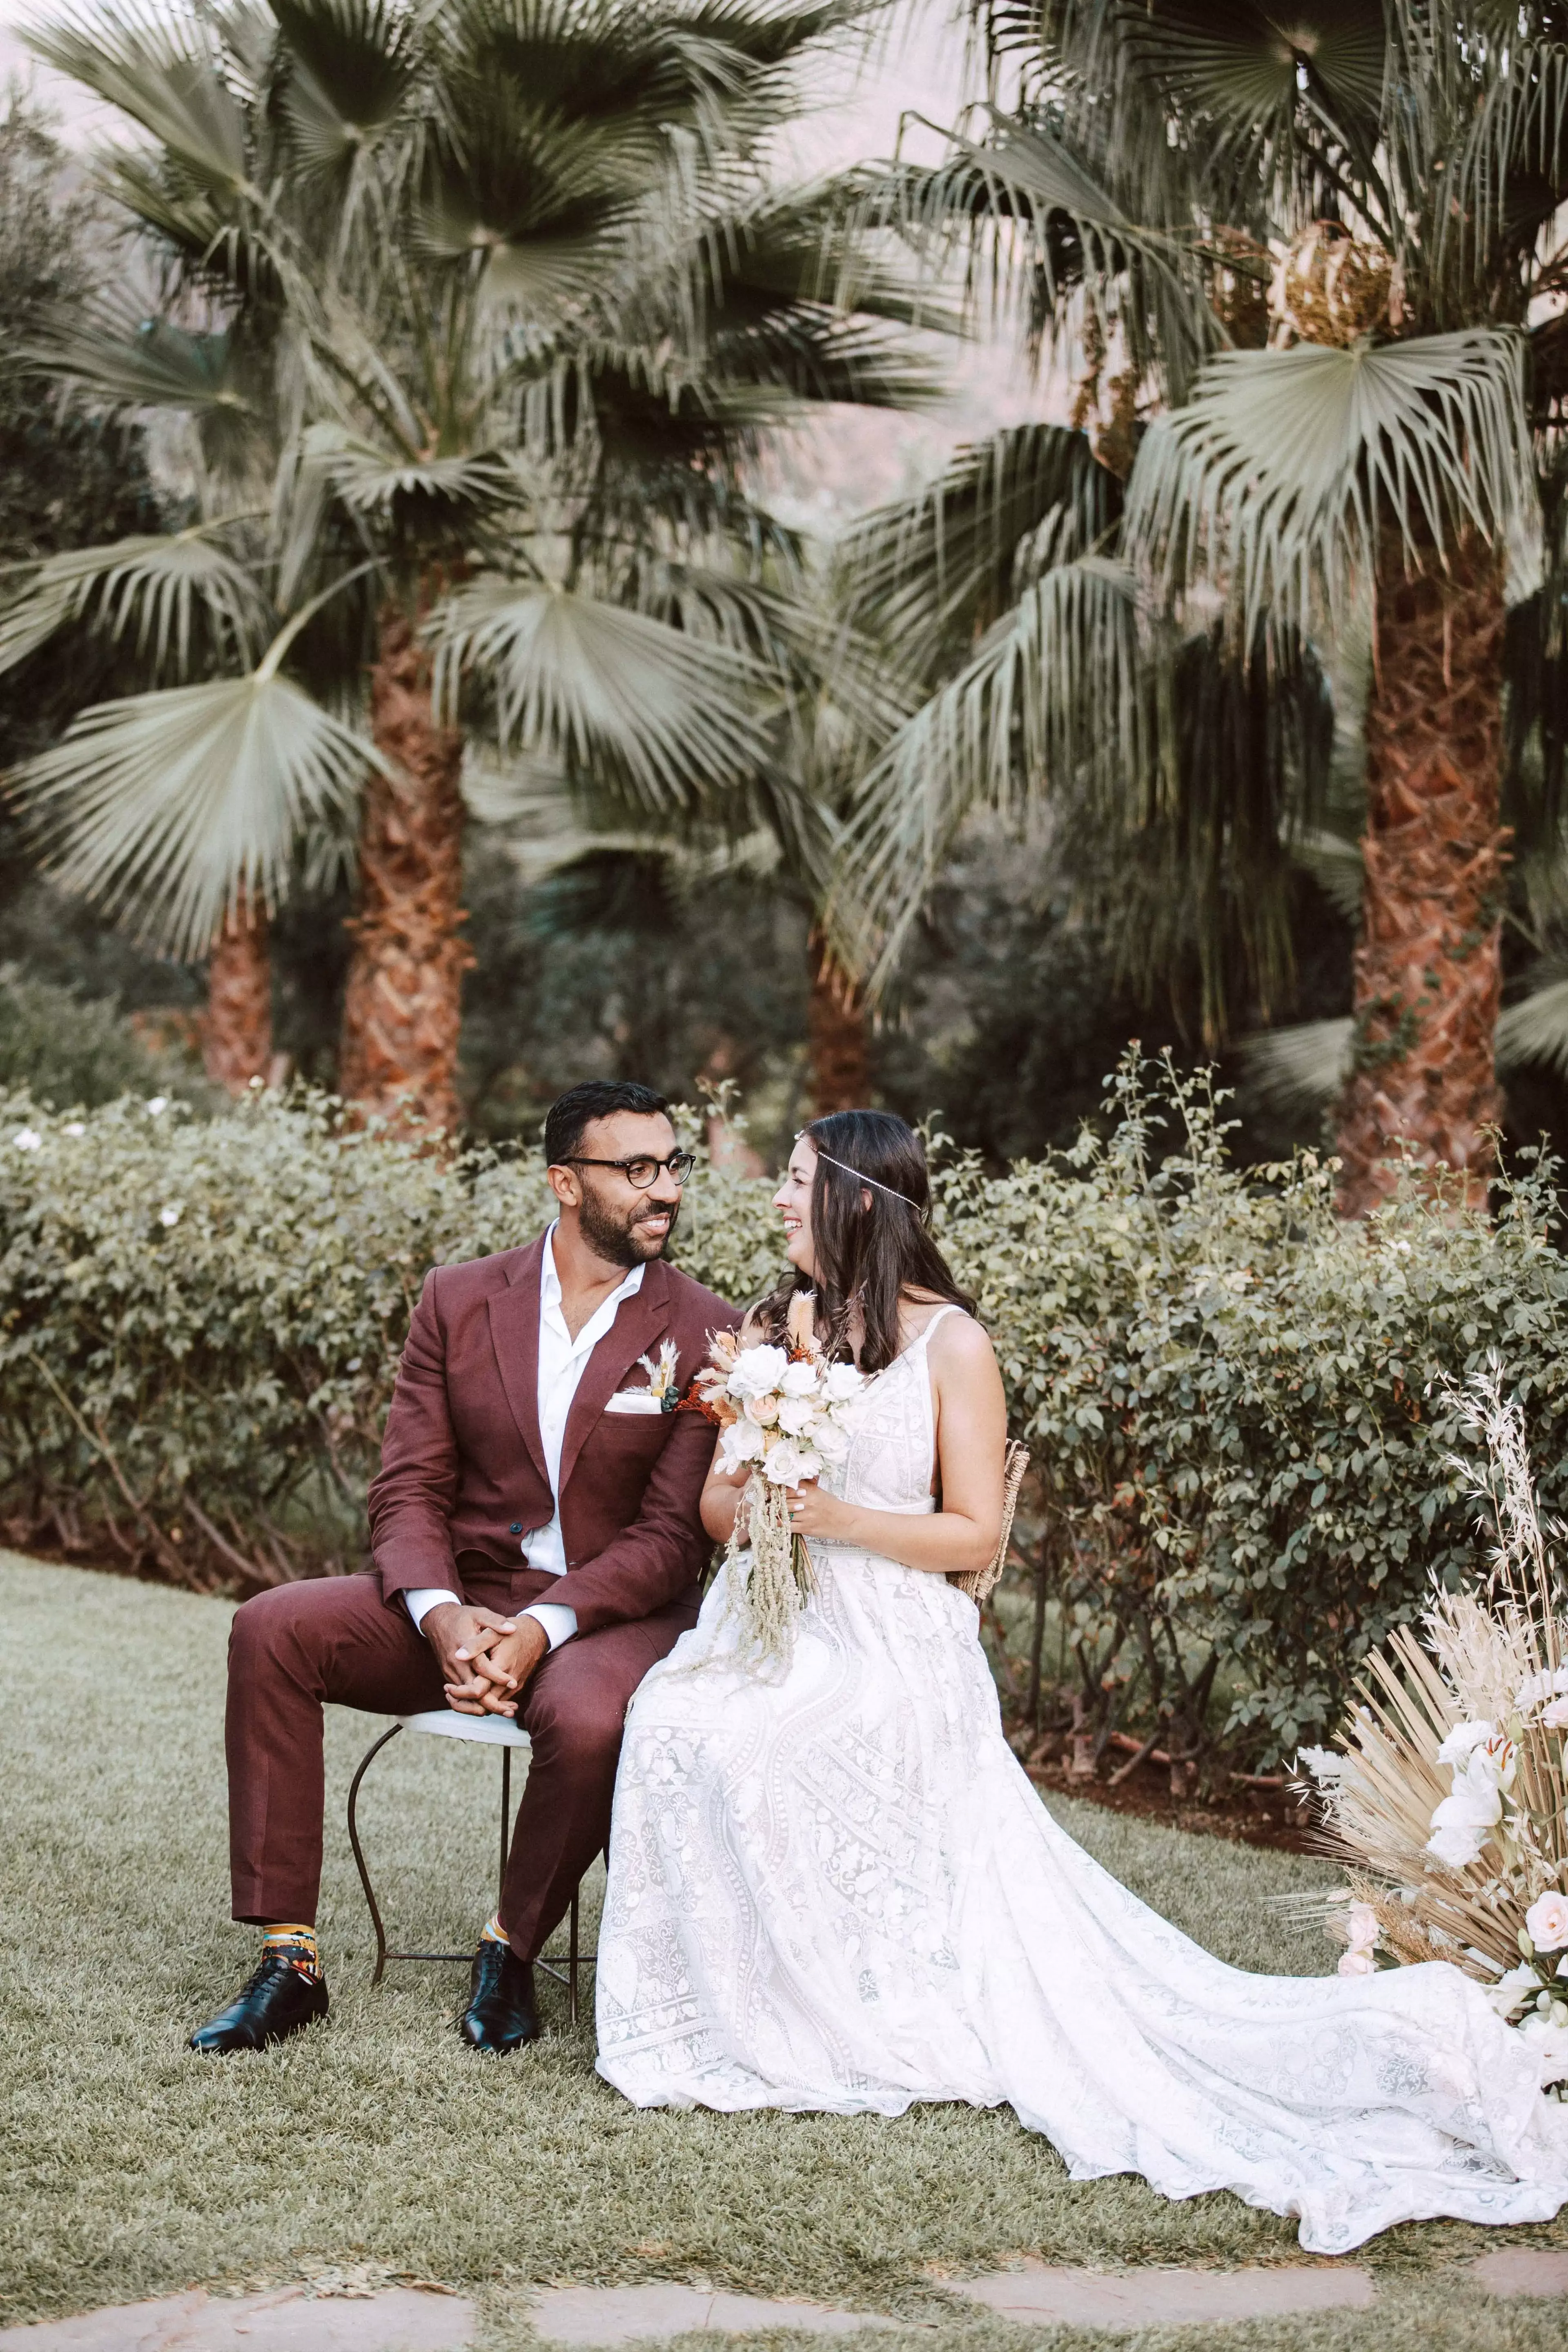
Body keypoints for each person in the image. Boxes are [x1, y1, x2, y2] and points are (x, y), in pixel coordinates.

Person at [594, 1108, 1568, 2255]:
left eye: (796, 1181)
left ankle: (850, 1999)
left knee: (780, 1737)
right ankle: (727, 2002)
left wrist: (842, 1513)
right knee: (674, 1722)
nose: (775, 1200)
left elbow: (971, 1534)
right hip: (781, 1613)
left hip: (898, 1631)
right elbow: (716, 1510)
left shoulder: (952, 1343)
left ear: (857, 1198)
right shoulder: (771, 1328)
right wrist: (764, 1473)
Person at [192, 1080, 738, 2057]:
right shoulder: (457, 1298)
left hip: (607, 1619)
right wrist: (445, 1618)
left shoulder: (705, 1327)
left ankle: (510, 1950)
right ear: (564, 1183)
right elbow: (408, 1488)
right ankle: (290, 1962)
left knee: (589, 1713)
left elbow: (670, 1538)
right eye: (638, 1169)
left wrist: (541, 1630)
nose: (666, 1191)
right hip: (466, 1602)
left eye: (674, 1166)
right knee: (272, 1627)